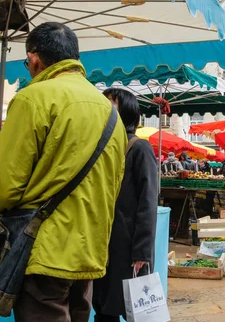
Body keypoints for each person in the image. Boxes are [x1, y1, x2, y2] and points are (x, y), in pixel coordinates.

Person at [0, 22, 127, 322]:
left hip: (44, 250)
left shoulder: (32, 98)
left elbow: (2, 188)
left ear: (35, 59)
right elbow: (114, 185)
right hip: (90, 250)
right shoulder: (110, 111)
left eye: (27, 63)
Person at [93, 88, 157, 322]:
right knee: (101, 303)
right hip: (101, 240)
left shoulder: (139, 148)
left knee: (130, 307)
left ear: (126, 111)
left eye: (111, 104)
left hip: (126, 244)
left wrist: (142, 250)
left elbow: (148, 202)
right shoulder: (102, 146)